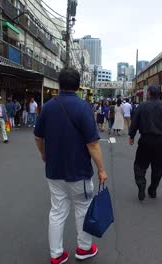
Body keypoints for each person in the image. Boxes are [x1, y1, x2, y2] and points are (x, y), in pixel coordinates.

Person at [34, 68, 107, 264]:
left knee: (57, 210)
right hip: (79, 171)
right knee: (83, 208)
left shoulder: (47, 107)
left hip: (54, 170)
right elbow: (92, 144)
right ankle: (83, 249)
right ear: (78, 85)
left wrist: (43, 154)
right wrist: (101, 169)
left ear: (59, 84)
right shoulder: (83, 107)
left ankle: (56, 254)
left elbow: (38, 136)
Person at [129, 84, 162, 200]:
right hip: (160, 142)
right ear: (159, 94)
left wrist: (131, 136)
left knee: (139, 165)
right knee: (158, 168)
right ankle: (153, 189)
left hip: (145, 140)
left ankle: (141, 184)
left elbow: (134, 122)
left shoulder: (142, 106)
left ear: (148, 93)